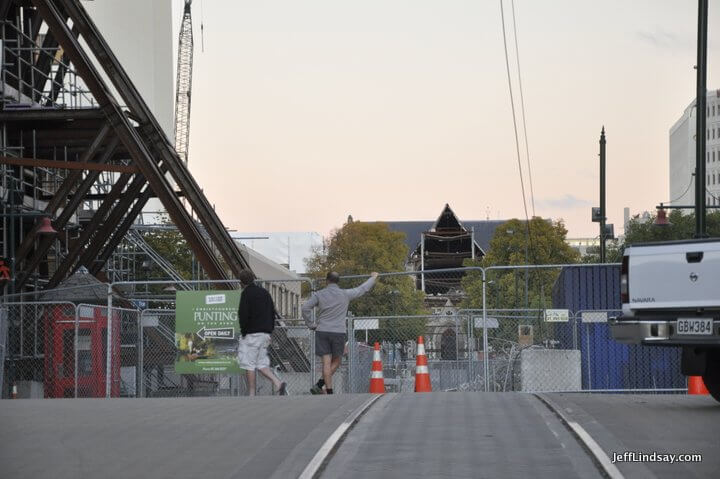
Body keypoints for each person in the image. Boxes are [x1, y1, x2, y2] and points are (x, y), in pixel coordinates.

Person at [302, 271, 378, 394]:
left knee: (325, 362)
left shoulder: (319, 294)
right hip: (338, 332)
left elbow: (305, 308)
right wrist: (373, 278)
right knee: (336, 362)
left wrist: (311, 324)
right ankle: (322, 387)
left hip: (322, 331)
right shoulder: (345, 294)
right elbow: (362, 289)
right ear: (338, 281)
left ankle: (324, 388)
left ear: (327, 281)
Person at [237, 269, 287, 396]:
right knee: (261, 363)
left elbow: (243, 315)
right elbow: (272, 312)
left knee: (249, 364)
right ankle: (278, 383)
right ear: (253, 278)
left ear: (241, 282)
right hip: (265, 334)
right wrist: (269, 331)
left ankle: (252, 393)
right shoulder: (265, 293)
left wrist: (244, 332)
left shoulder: (246, 294)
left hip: (252, 334)